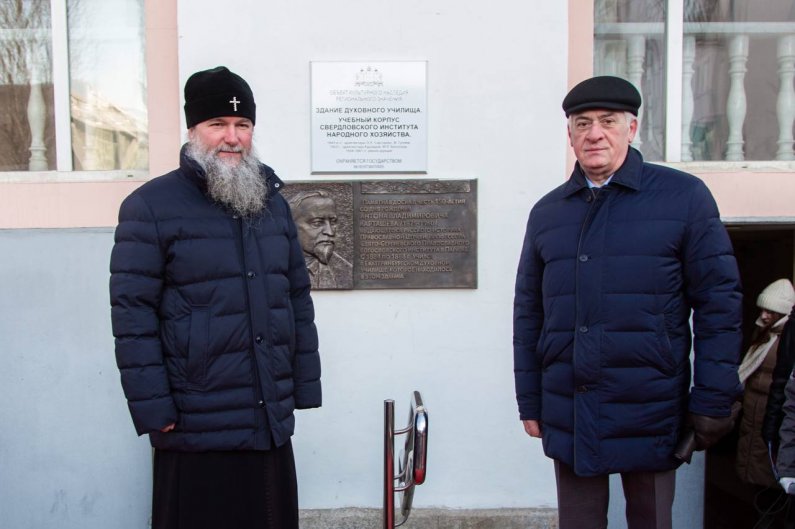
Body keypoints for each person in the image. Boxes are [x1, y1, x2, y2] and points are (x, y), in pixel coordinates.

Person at [513, 75, 743, 529]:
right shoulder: (548, 212)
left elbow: (719, 303)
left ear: (631, 128)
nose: (594, 133)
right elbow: (529, 313)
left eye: (607, 121)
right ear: (570, 135)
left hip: (653, 407)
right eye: (582, 123)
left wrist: (714, 398)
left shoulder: (684, 198)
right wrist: (531, 401)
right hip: (571, 408)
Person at [110, 66, 321, 529]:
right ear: (193, 130)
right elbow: (133, 315)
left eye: (242, 125)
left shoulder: (272, 202)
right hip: (193, 419)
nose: (232, 137)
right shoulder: (150, 207)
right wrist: (153, 408)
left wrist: (303, 385)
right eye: (218, 125)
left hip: (266, 414)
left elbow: (295, 297)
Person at [736, 279, 795, 488]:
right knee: (751, 473)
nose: (764, 315)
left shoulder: (784, 339)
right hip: (752, 416)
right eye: (762, 310)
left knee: (768, 477)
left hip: (770, 417)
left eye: (770, 311)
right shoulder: (763, 335)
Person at [288, 190, 353, 289]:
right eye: (317, 223)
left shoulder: (345, 270)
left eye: (333, 222)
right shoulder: (273, 265)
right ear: (291, 225)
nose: (330, 232)